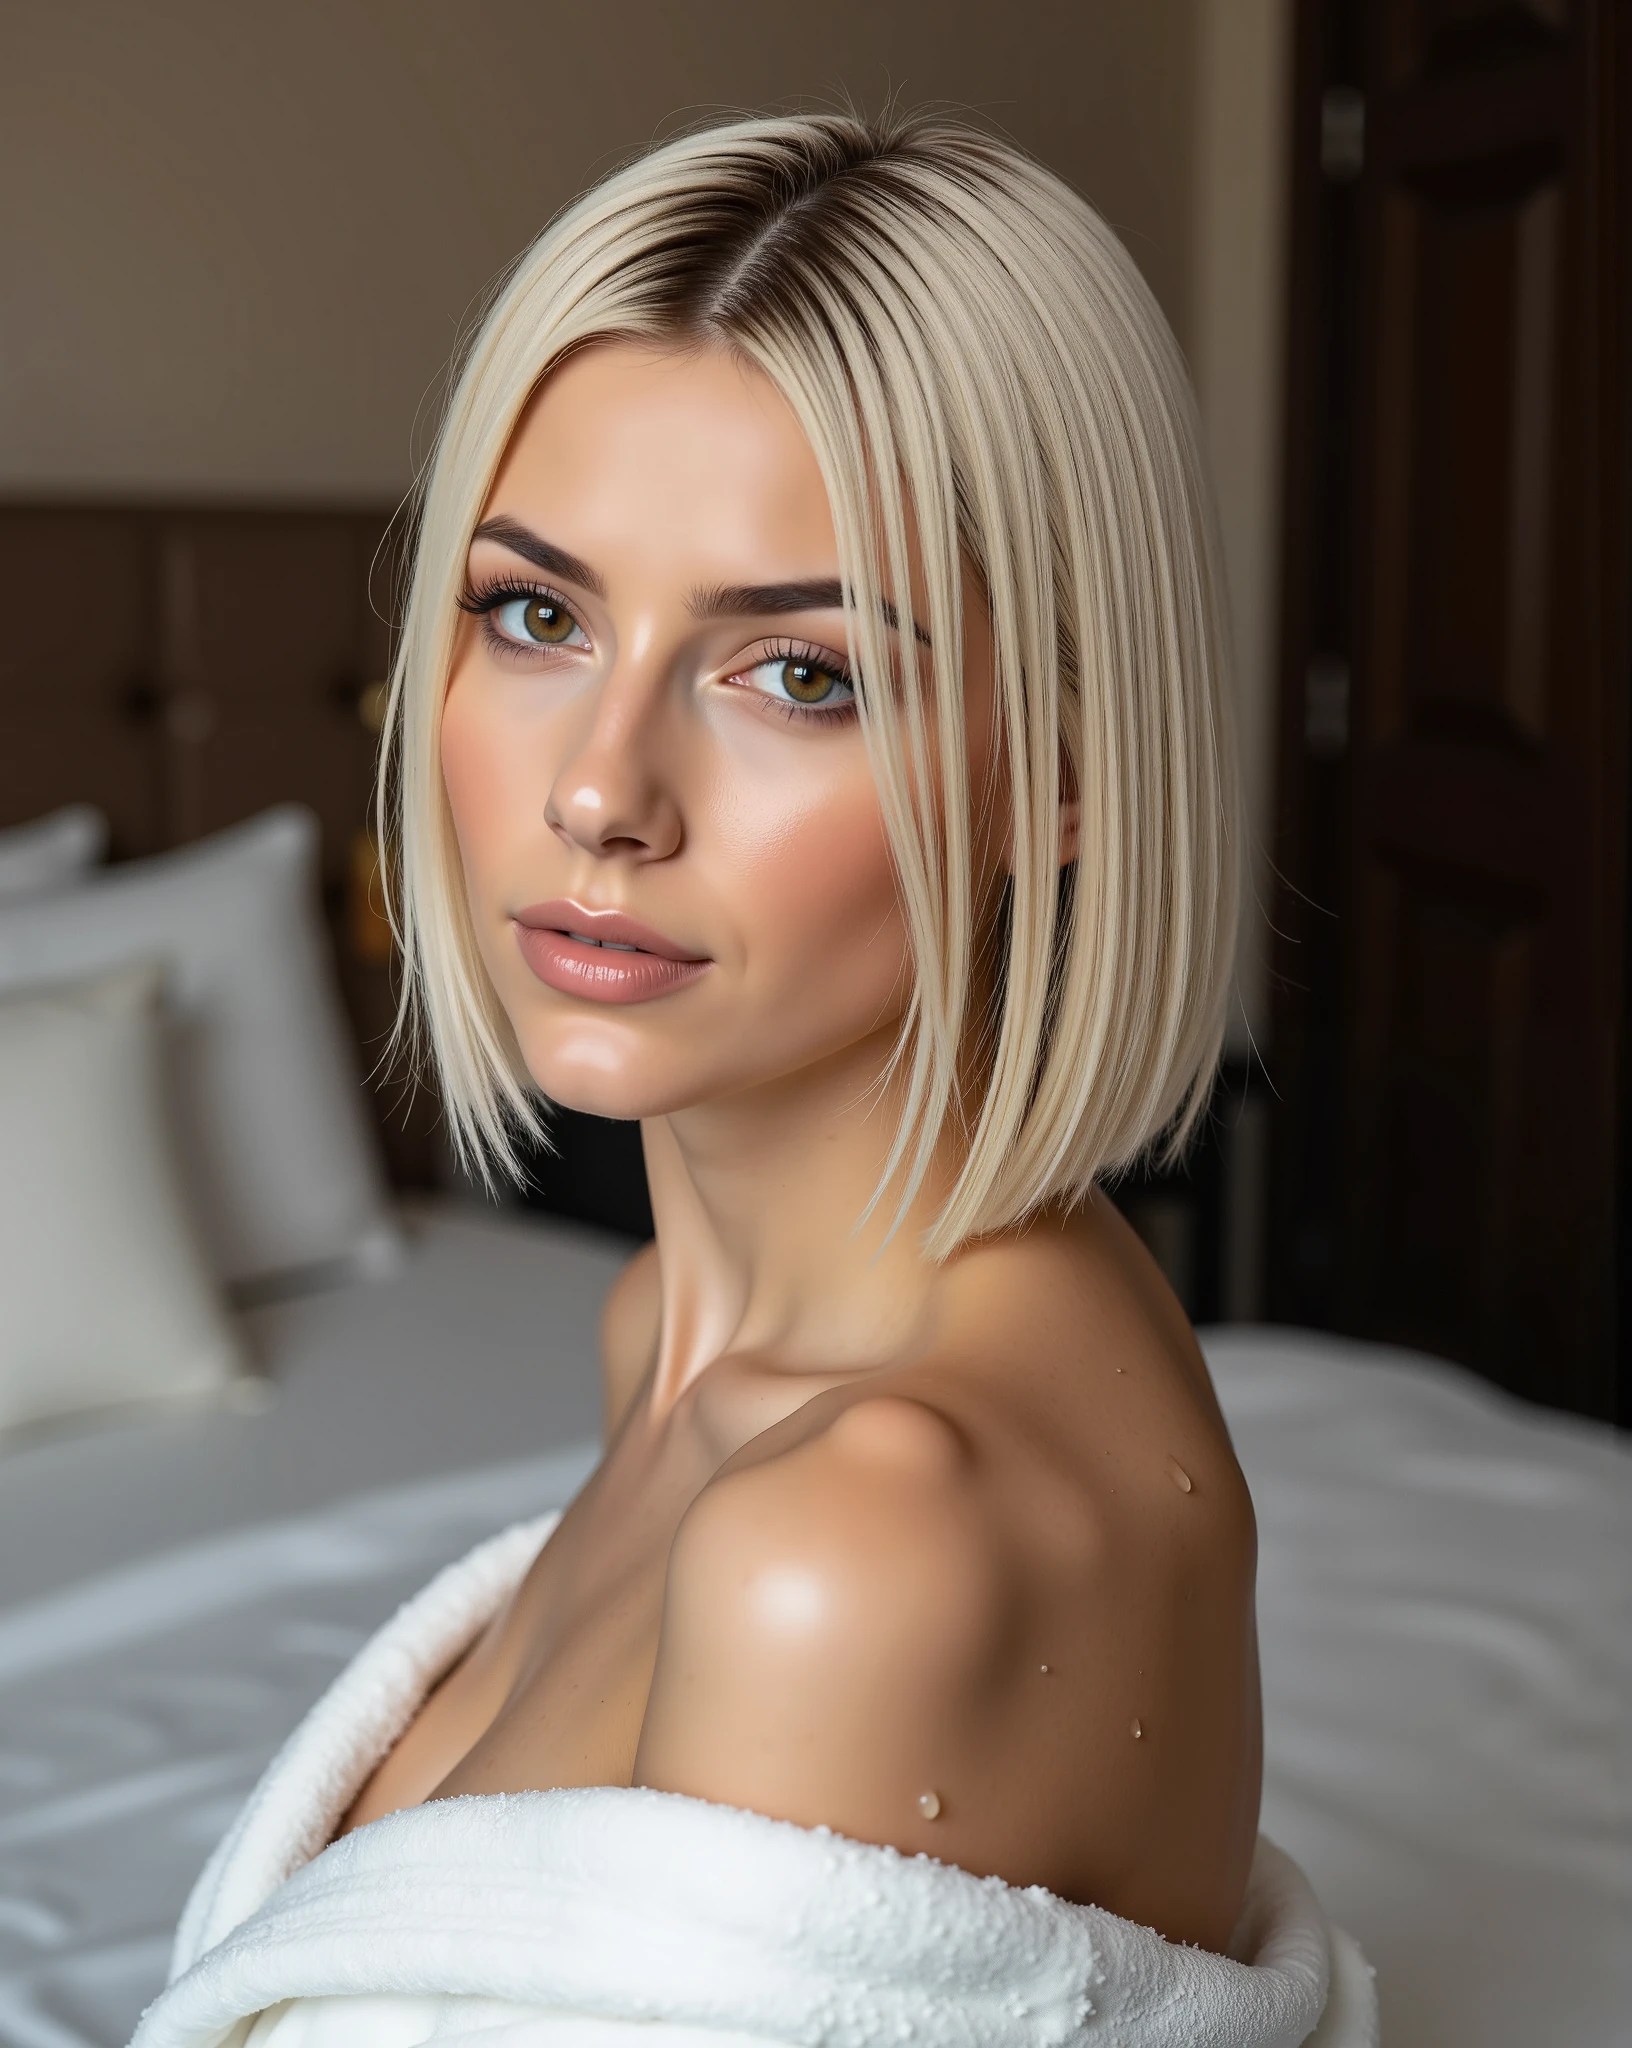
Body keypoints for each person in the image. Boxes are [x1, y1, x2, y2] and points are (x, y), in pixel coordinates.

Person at [134, 109, 1374, 2048]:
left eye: (797, 671)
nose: (599, 791)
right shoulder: (668, 1334)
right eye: (536, 615)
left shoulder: (867, 1545)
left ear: (1060, 764)